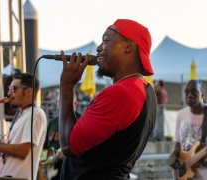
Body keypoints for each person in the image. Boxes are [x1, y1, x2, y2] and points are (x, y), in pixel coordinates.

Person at [58, 19, 157, 179]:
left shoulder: (121, 93)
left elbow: (69, 145)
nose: (98, 48)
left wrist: (66, 87)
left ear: (129, 47)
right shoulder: (145, 89)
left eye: (106, 40)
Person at [0, 73, 47, 180]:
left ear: (29, 91)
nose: (8, 93)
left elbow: (23, 151)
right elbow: (10, 161)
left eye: (13, 89)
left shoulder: (36, 114)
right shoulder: (21, 115)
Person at [170, 80, 207, 179]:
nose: (189, 95)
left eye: (194, 92)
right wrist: (174, 157)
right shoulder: (180, 115)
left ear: (202, 94)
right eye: (187, 92)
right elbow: (178, 144)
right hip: (184, 172)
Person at [40, 90, 80, 180]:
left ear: (75, 104)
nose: (65, 105)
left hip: (73, 170)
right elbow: (45, 148)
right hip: (53, 170)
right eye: (61, 102)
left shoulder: (82, 120)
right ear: (58, 103)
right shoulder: (52, 123)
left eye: (68, 102)